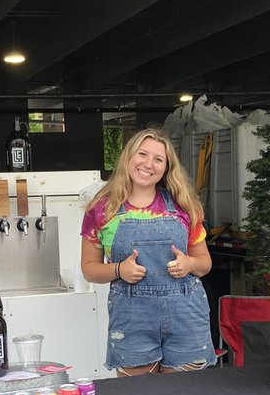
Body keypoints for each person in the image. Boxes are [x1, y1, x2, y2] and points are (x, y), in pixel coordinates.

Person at [80, 127, 216, 375]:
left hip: (186, 313)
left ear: (166, 168)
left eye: (158, 159)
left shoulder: (185, 207)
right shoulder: (101, 210)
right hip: (133, 317)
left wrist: (189, 264)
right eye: (142, 154)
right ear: (128, 157)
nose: (148, 164)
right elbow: (89, 270)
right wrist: (119, 270)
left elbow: (205, 263)